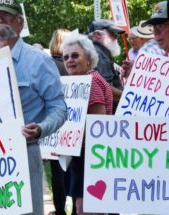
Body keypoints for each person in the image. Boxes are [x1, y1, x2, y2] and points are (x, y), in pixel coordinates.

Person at [0, 1, 67, 215]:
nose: (0, 20)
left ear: (20, 22)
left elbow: (59, 107)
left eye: (7, 15)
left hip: (23, 155)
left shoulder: (40, 62)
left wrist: (42, 128)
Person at [61, 33, 113, 215]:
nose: (69, 61)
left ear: (89, 59)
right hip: (85, 157)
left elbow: (99, 128)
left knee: (85, 209)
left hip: (90, 158)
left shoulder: (89, 83)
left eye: (75, 55)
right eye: (66, 57)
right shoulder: (85, 81)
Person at [48, 28, 75, 215]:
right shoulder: (72, 65)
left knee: (57, 171)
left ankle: (60, 210)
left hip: (53, 123)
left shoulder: (47, 65)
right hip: (73, 124)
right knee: (72, 170)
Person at [88, 19, 124, 113]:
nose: (116, 37)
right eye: (113, 34)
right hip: (106, 115)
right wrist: (127, 96)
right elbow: (104, 87)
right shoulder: (99, 55)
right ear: (98, 35)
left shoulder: (96, 52)